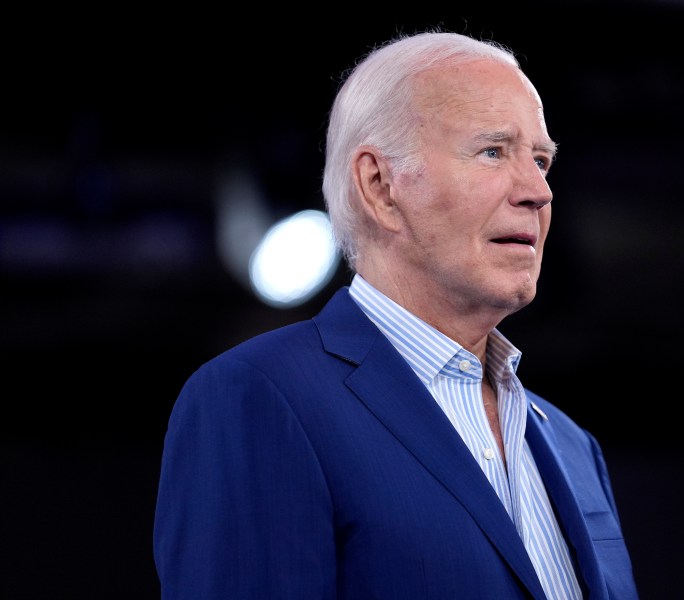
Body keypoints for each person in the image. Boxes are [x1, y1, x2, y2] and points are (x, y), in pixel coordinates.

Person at [153, 29, 640, 600]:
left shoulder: (574, 446)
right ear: (380, 186)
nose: (539, 190)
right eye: (493, 151)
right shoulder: (259, 398)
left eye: (541, 160)